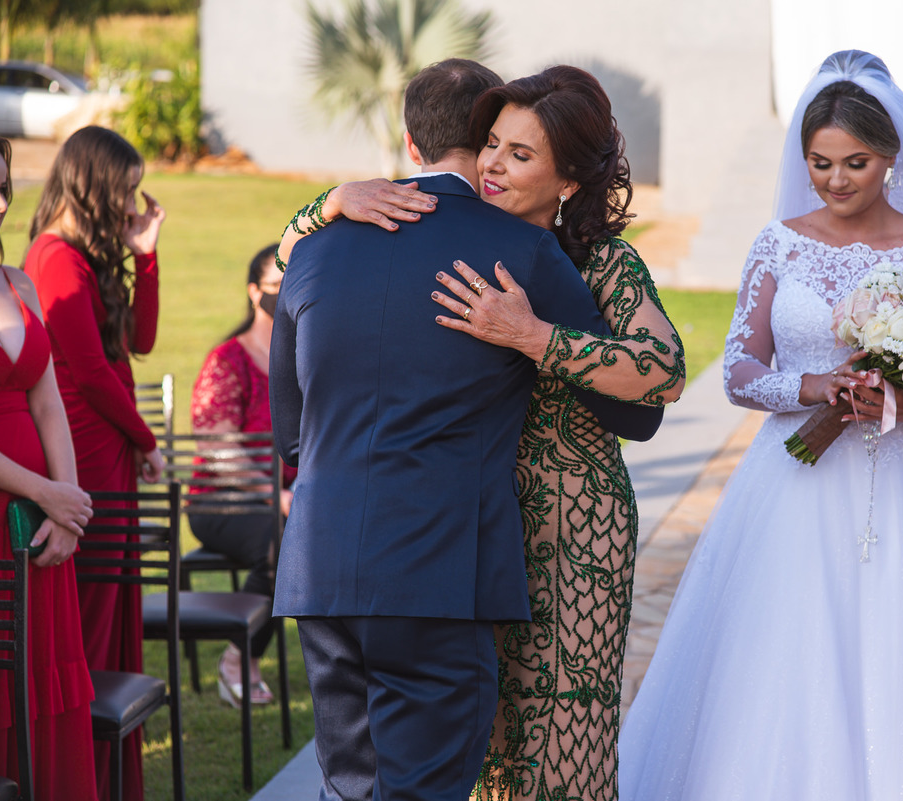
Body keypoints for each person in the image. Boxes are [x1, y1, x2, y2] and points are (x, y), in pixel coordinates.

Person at [617, 50, 903, 800]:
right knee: (785, 660)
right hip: (789, 490)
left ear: (891, 158)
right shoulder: (778, 242)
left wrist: (899, 406)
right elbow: (739, 370)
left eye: (855, 163)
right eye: (820, 162)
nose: (836, 180)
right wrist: (815, 384)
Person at [280, 65, 685, 801]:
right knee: (469, 761)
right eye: (490, 143)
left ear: (567, 180)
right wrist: (329, 202)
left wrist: (535, 335)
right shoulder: (419, 232)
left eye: (519, 154)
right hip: (458, 539)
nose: (493, 163)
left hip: (564, 536)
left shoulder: (597, 264)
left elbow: (657, 384)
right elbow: (297, 269)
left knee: (553, 753)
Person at [23, 125, 165, 801]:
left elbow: (139, 341)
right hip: (89, 446)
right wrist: (147, 439)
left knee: (113, 605)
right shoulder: (53, 259)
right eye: (127, 189)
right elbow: (90, 372)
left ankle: (108, 774)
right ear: (96, 184)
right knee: (91, 612)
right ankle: (82, 771)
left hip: (110, 442)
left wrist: (147, 257)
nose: (133, 202)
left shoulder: (87, 256)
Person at [0, 136, 98, 801]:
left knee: (45, 674)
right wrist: (45, 493)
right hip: (8, 511)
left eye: (3, 185)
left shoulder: (18, 282)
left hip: (39, 524)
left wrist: (70, 503)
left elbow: (48, 400)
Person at [189, 243, 294, 708]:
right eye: (276, 286)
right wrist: (275, 494)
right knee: (284, 540)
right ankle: (239, 658)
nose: (285, 295)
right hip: (221, 503)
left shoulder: (303, 359)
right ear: (254, 293)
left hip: (290, 499)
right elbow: (217, 450)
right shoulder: (227, 361)